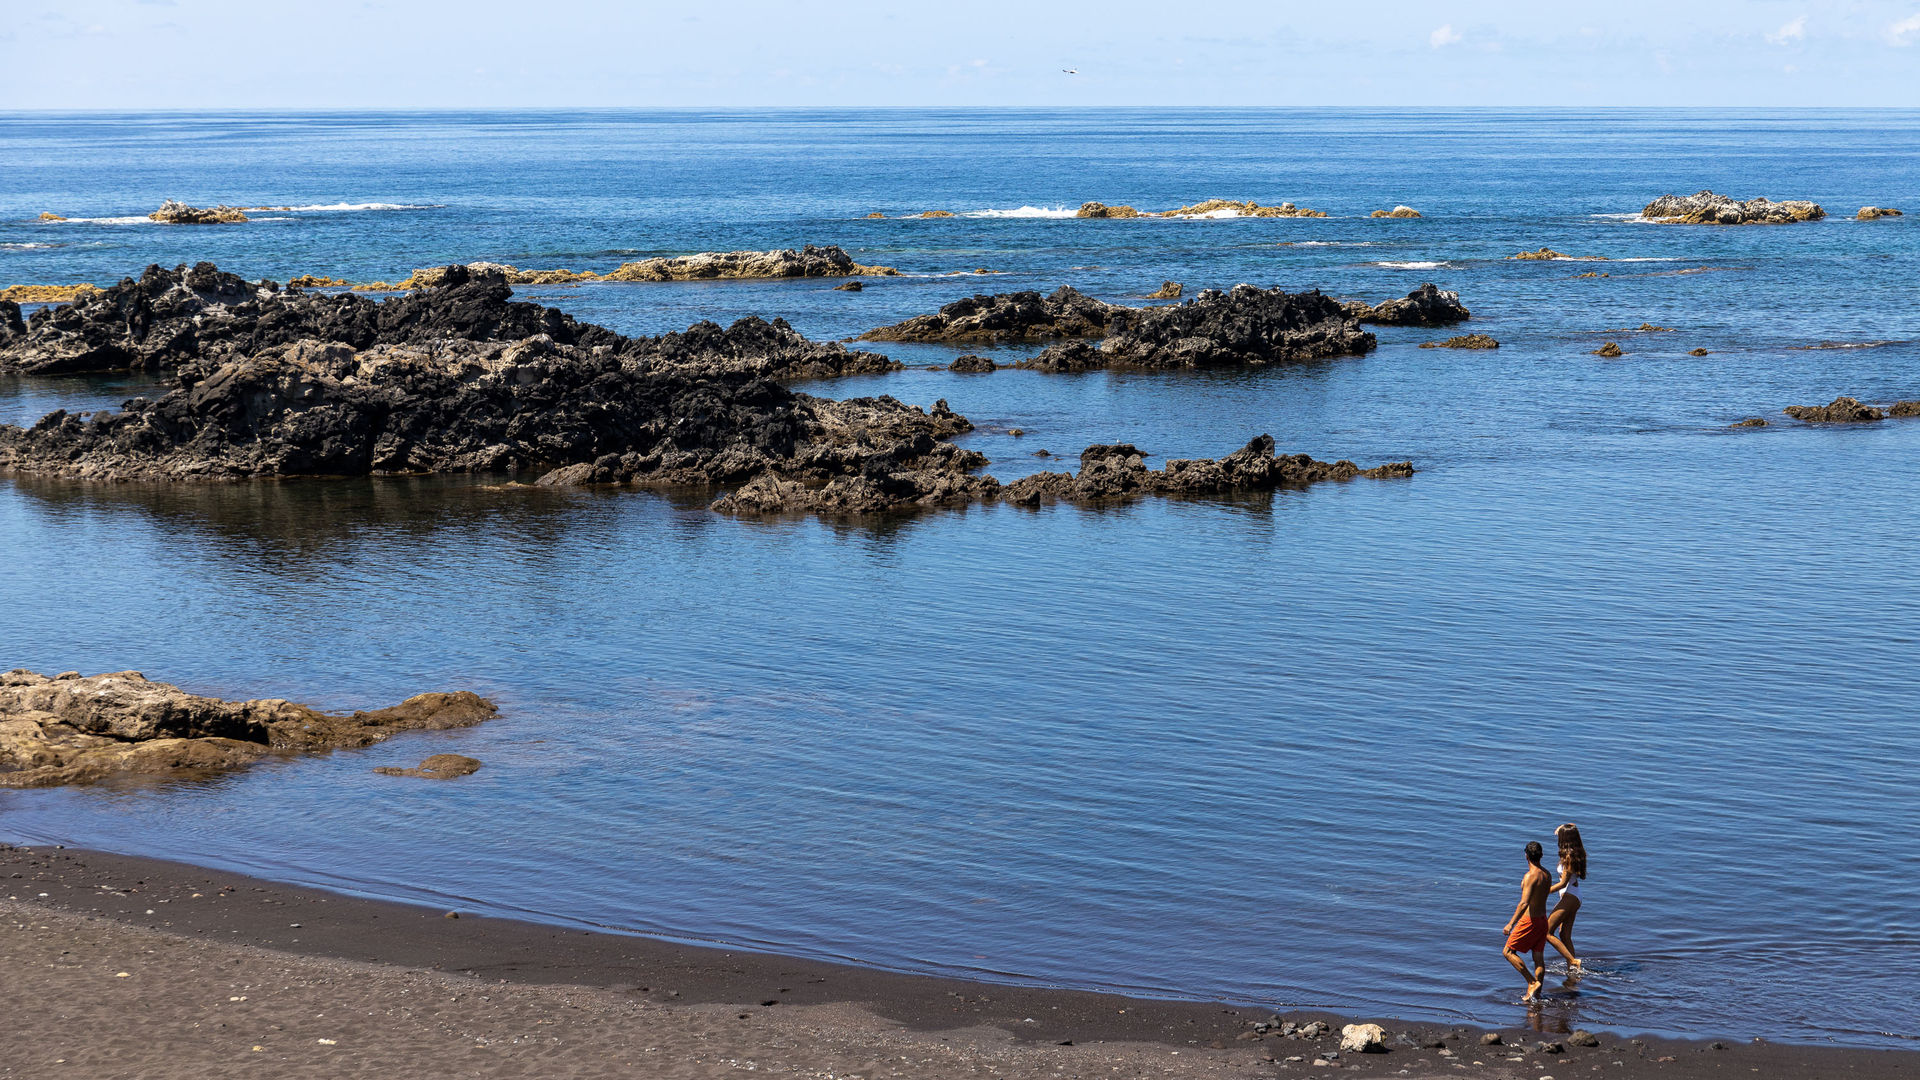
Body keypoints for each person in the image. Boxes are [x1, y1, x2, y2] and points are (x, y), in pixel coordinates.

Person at [1501, 840, 1552, 1001]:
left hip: (1529, 921)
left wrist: (1511, 923)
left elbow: (1524, 903)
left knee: (1508, 952)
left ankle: (1531, 982)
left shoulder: (1531, 876)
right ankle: (1536, 996)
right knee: (1538, 959)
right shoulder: (1547, 874)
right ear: (1541, 855)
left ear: (1526, 856)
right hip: (1543, 920)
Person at [1545, 822, 1587, 972]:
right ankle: (1573, 970)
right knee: (1564, 935)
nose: (1557, 838)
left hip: (1570, 896)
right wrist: (1562, 828)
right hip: (1574, 896)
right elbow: (1573, 826)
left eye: (1560, 836)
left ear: (1565, 839)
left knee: (1547, 932)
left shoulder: (1569, 857)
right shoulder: (1576, 852)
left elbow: (1563, 884)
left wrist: (1544, 891)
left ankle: (1573, 961)